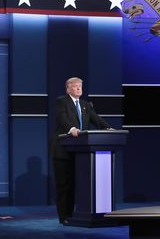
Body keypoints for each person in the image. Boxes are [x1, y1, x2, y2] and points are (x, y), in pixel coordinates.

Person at [50, 77, 112, 224]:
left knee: (74, 185)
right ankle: (64, 216)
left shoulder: (85, 105)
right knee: (64, 186)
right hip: (62, 150)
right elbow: (62, 119)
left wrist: (108, 128)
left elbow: (96, 119)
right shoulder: (62, 101)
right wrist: (71, 129)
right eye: (75, 86)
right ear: (68, 89)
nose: (79, 89)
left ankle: (72, 214)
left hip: (79, 152)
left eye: (80, 87)